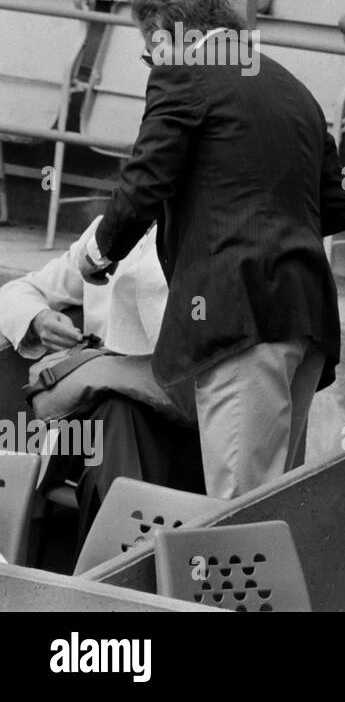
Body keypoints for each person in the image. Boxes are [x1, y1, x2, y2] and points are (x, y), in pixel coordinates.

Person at [76, 0, 345, 500]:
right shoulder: (290, 84)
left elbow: (145, 181)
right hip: (306, 311)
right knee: (272, 503)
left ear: (168, 30)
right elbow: (336, 208)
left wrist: (97, 252)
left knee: (236, 515)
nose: (152, 62)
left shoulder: (184, 70)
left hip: (238, 312)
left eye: (148, 48)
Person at [0, 217, 204, 545]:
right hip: (89, 426)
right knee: (118, 412)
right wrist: (39, 320)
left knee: (120, 414)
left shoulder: (205, 230)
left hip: (179, 422)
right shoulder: (110, 229)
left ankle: (110, 566)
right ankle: (124, 561)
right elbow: (17, 291)